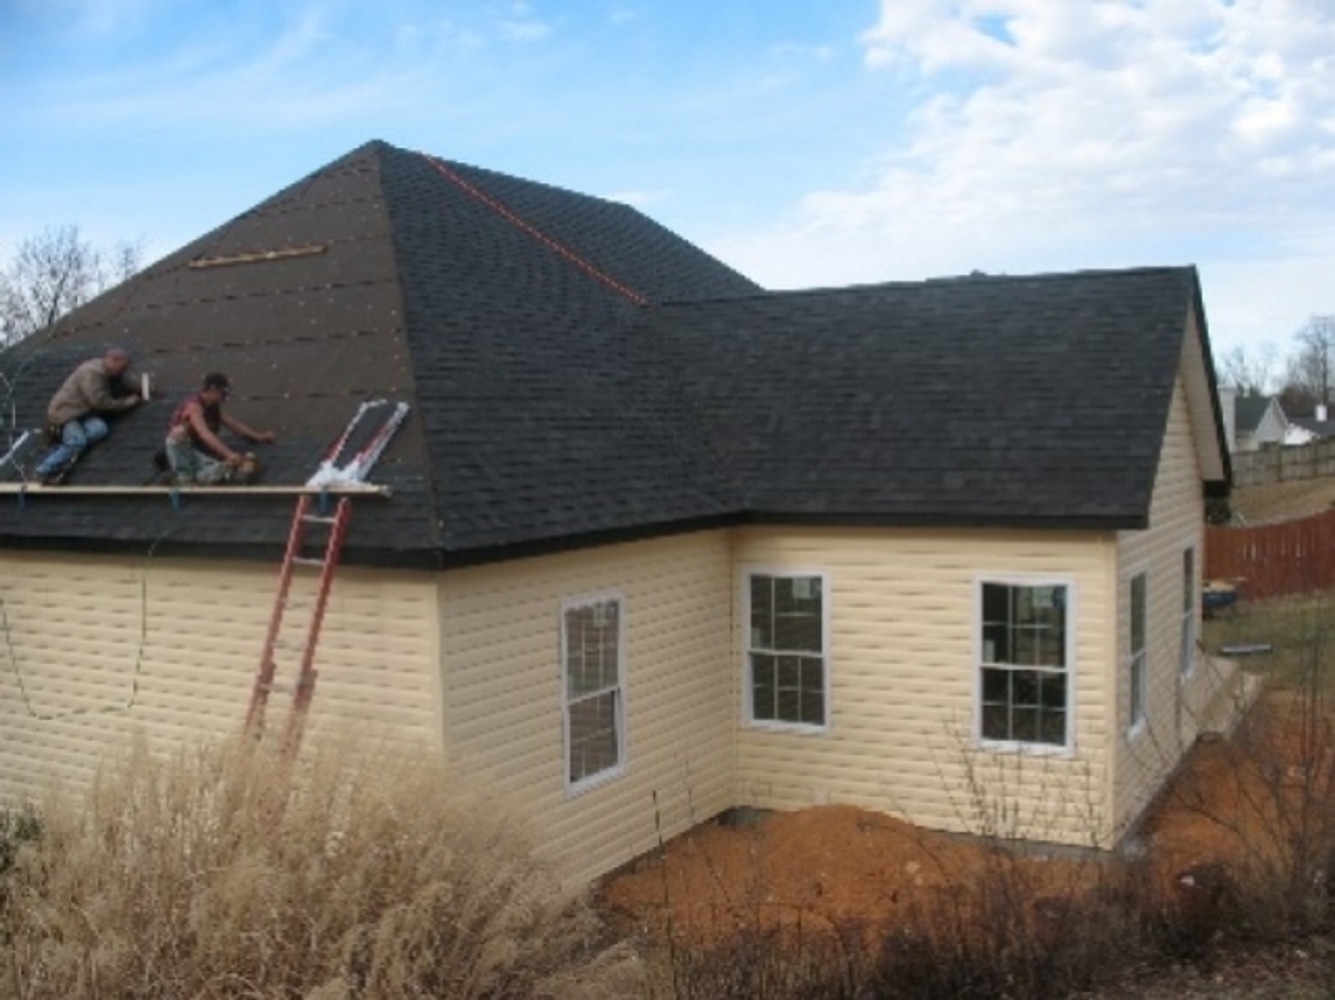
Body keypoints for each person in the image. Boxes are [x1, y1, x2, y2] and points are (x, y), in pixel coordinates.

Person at [34, 347, 143, 483]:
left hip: (82, 413)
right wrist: (128, 403)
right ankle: (43, 471)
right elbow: (100, 402)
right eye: (122, 367)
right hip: (65, 413)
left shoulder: (109, 372)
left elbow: (125, 382)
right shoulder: (92, 373)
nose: (124, 370)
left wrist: (146, 388)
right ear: (112, 360)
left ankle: (64, 450)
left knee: (100, 429)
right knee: (77, 441)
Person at [165, 373, 276, 485]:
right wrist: (229, 455)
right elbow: (205, 434)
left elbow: (233, 424)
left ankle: (216, 472)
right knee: (179, 434)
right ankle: (184, 476)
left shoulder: (212, 407)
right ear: (213, 390)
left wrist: (259, 437)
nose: (224, 398)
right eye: (223, 394)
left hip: (197, 451)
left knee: (212, 469)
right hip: (181, 452)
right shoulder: (194, 407)